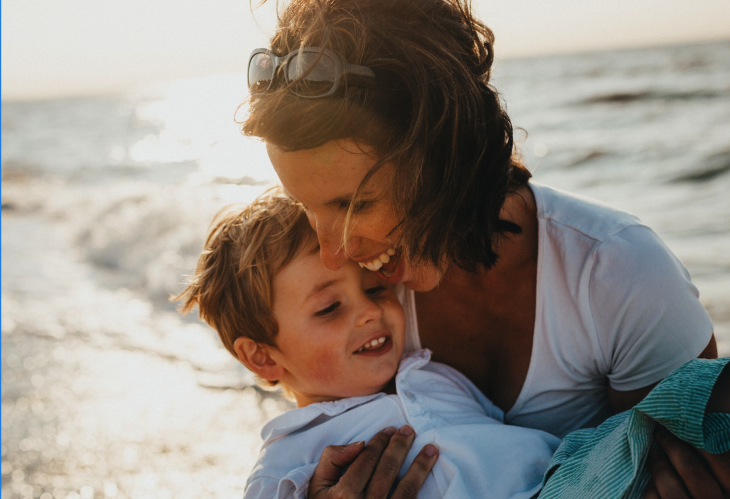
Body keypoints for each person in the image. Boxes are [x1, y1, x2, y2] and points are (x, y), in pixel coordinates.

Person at [240, 0, 728, 497]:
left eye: (354, 204)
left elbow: (674, 464)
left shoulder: (617, 273)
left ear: (447, 157)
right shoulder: (361, 302)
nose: (331, 252)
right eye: (305, 206)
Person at [175, 190, 730, 499]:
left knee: (697, 401)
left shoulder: (427, 370)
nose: (371, 309)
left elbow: (521, 435)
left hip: (568, 478)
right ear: (262, 357)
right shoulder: (289, 463)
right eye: (328, 308)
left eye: (373, 287)